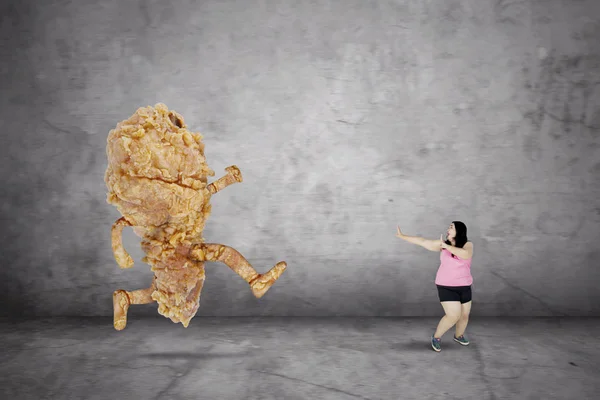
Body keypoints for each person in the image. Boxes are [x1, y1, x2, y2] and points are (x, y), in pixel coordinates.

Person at [396, 221, 474, 352]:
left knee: (464, 316)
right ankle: (436, 337)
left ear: (459, 231)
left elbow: (466, 254)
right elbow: (422, 241)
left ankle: (458, 336)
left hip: (465, 286)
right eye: (448, 226)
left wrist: (446, 246)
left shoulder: (468, 244)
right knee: (453, 315)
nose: (448, 229)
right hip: (446, 286)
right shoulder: (443, 245)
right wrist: (403, 236)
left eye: (451, 227)